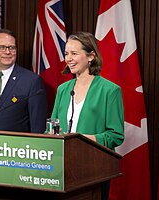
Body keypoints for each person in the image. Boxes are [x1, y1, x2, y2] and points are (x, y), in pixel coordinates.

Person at [51, 32, 124, 200]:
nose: (68, 58)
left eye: (74, 53)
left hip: (93, 169)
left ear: (91, 56)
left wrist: (81, 139)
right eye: (66, 54)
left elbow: (116, 135)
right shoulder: (63, 89)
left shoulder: (110, 90)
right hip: (61, 169)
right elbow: (52, 126)